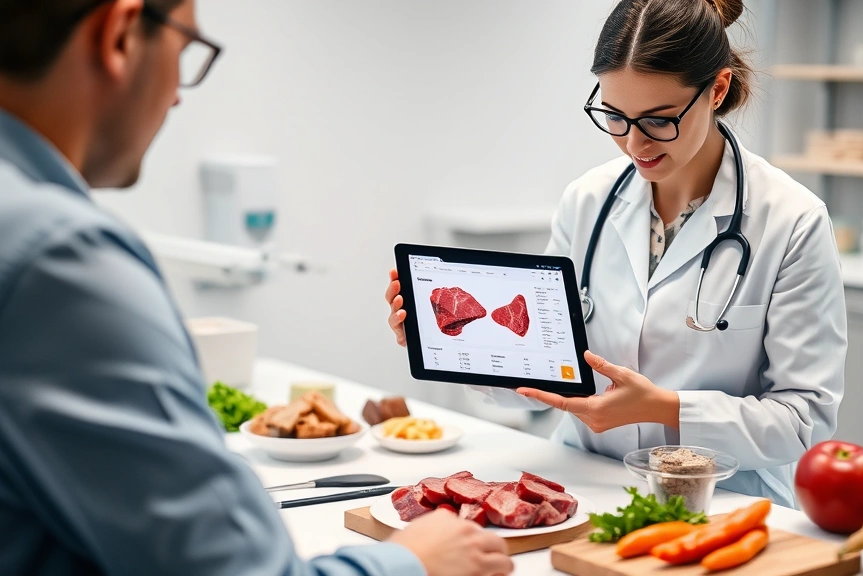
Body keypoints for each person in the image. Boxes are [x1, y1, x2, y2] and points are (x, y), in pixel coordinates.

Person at [0, 1, 514, 575]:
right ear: (119, 35)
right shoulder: (58, 259)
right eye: (185, 51)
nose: (175, 95)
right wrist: (411, 563)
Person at [386, 0, 846, 508]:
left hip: (719, 501)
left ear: (717, 90)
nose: (633, 143)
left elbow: (806, 420)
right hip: (581, 483)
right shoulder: (589, 200)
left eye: (658, 120)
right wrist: (451, 347)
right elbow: (542, 365)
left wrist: (666, 409)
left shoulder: (791, 220)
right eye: (615, 116)